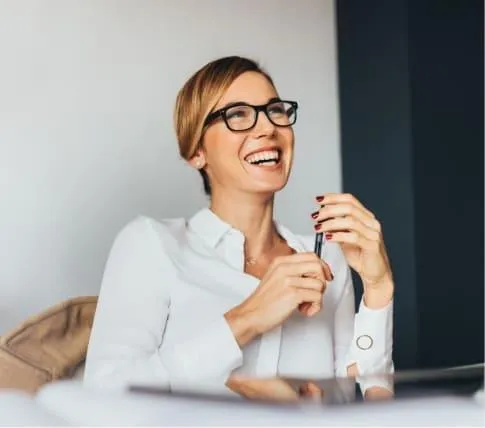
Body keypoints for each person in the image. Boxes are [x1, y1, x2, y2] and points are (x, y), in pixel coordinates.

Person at [84, 56, 394, 399]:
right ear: (196, 151)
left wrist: (378, 291)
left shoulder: (328, 259)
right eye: (237, 115)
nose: (267, 128)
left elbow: (361, 407)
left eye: (275, 110)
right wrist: (246, 319)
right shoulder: (150, 245)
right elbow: (104, 395)